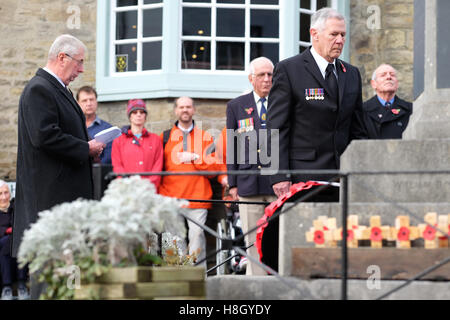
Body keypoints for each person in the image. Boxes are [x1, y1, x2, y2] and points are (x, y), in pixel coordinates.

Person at [14, 34, 105, 299]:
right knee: (49, 282)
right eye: (79, 62)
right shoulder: (39, 89)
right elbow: (44, 136)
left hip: (66, 207)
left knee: (69, 281)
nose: (82, 69)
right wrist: (85, 148)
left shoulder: (58, 90)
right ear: (62, 57)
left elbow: (62, 134)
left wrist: (91, 146)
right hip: (49, 208)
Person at [267, 8, 367, 201]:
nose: (340, 40)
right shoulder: (289, 70)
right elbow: (275, 128)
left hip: (344, 175)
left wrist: (361, 168)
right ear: (314, 34)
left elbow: (358, 129)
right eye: (334, 34)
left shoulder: (351, 74)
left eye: (343, 35)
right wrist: (278, 175)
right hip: (302, 176)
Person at [159, 97, 227, 267]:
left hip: (198, 198)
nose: (185, 110)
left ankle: (198, 281)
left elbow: (214, 170)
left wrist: (195, 157)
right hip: (171, 198)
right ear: (176, 110)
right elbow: (157, 168)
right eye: (181, 107)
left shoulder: (205, 137)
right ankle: (176, 281)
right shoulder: (165, 137)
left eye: (188, 107)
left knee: (197, 240)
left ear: (194, 110)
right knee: (174, 243)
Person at [226, 57, 277, 275]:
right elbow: (232, 145)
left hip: (277, 183)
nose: (267, 80)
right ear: (251, 78)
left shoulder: (282, 103)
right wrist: (233, 183)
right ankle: (256, 291)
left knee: (276, 240)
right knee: (252, 242)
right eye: (261, 75)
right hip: (248, 183)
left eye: (270, 75)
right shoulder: (236, 106)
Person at [111, 99, 163, 189]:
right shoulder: (118, 140)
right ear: (130, 116)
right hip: (127, 189)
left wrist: (149, 185)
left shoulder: (155, 139)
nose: (138, 115)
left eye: (142, 112)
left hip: (149, 190)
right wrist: (127, 184)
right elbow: (117, 165)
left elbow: (158, 166)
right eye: (135, 112)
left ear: (145, 116)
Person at [362, 64, 413, 139]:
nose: (389, 77)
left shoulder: (410, 109)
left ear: (397, 83)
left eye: (392, 75)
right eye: (383, 75)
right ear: (374, 84)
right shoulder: (362, 111)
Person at [0, 181, 30, 300]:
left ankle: (7, 287)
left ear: (10, 193)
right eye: (0, 193)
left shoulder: (16, 207)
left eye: (6, 193)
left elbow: (23, 223)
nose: (3, 197)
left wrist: (12, 232)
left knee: (17, 241)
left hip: (16, 244)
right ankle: (20, 284)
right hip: (3, 248)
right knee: (7, 241)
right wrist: (7, 231)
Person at [77, 86, 114, 164]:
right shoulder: (73, 127)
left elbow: (108, 159)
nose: (89, 104)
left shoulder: (107, 129)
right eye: (84, 101)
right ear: (78, 103)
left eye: (91, 100)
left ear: (96, 101)